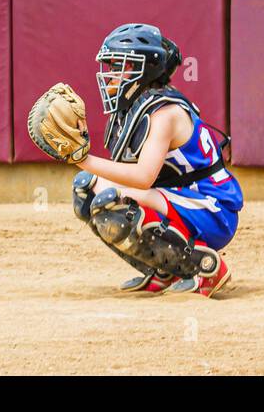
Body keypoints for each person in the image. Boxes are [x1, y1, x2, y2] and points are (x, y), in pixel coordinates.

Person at [71, 23, 242, 297]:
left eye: (120, 67)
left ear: (146, 69)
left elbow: (142, 178)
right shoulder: (136, 109)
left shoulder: (166, 114)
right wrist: (82, 162)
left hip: (211, 209)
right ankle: (163, 269)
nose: (111, 75)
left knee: (112, 201)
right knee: (87, 191)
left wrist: (82, 158)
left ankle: (204, 267)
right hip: (180, 199)